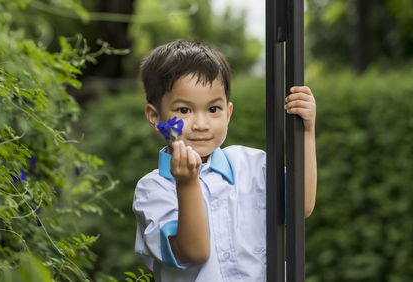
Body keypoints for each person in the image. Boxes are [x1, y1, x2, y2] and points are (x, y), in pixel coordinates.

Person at [133, 39, 317, 281]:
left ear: (228, 113)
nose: (201, 124)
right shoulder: (153, 190)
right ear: (155, 116)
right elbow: (194, 253)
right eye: (184, 110)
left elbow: (300, 205)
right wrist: (187, 184)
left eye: (213, 109)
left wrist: (306, 131)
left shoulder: (253, 165)